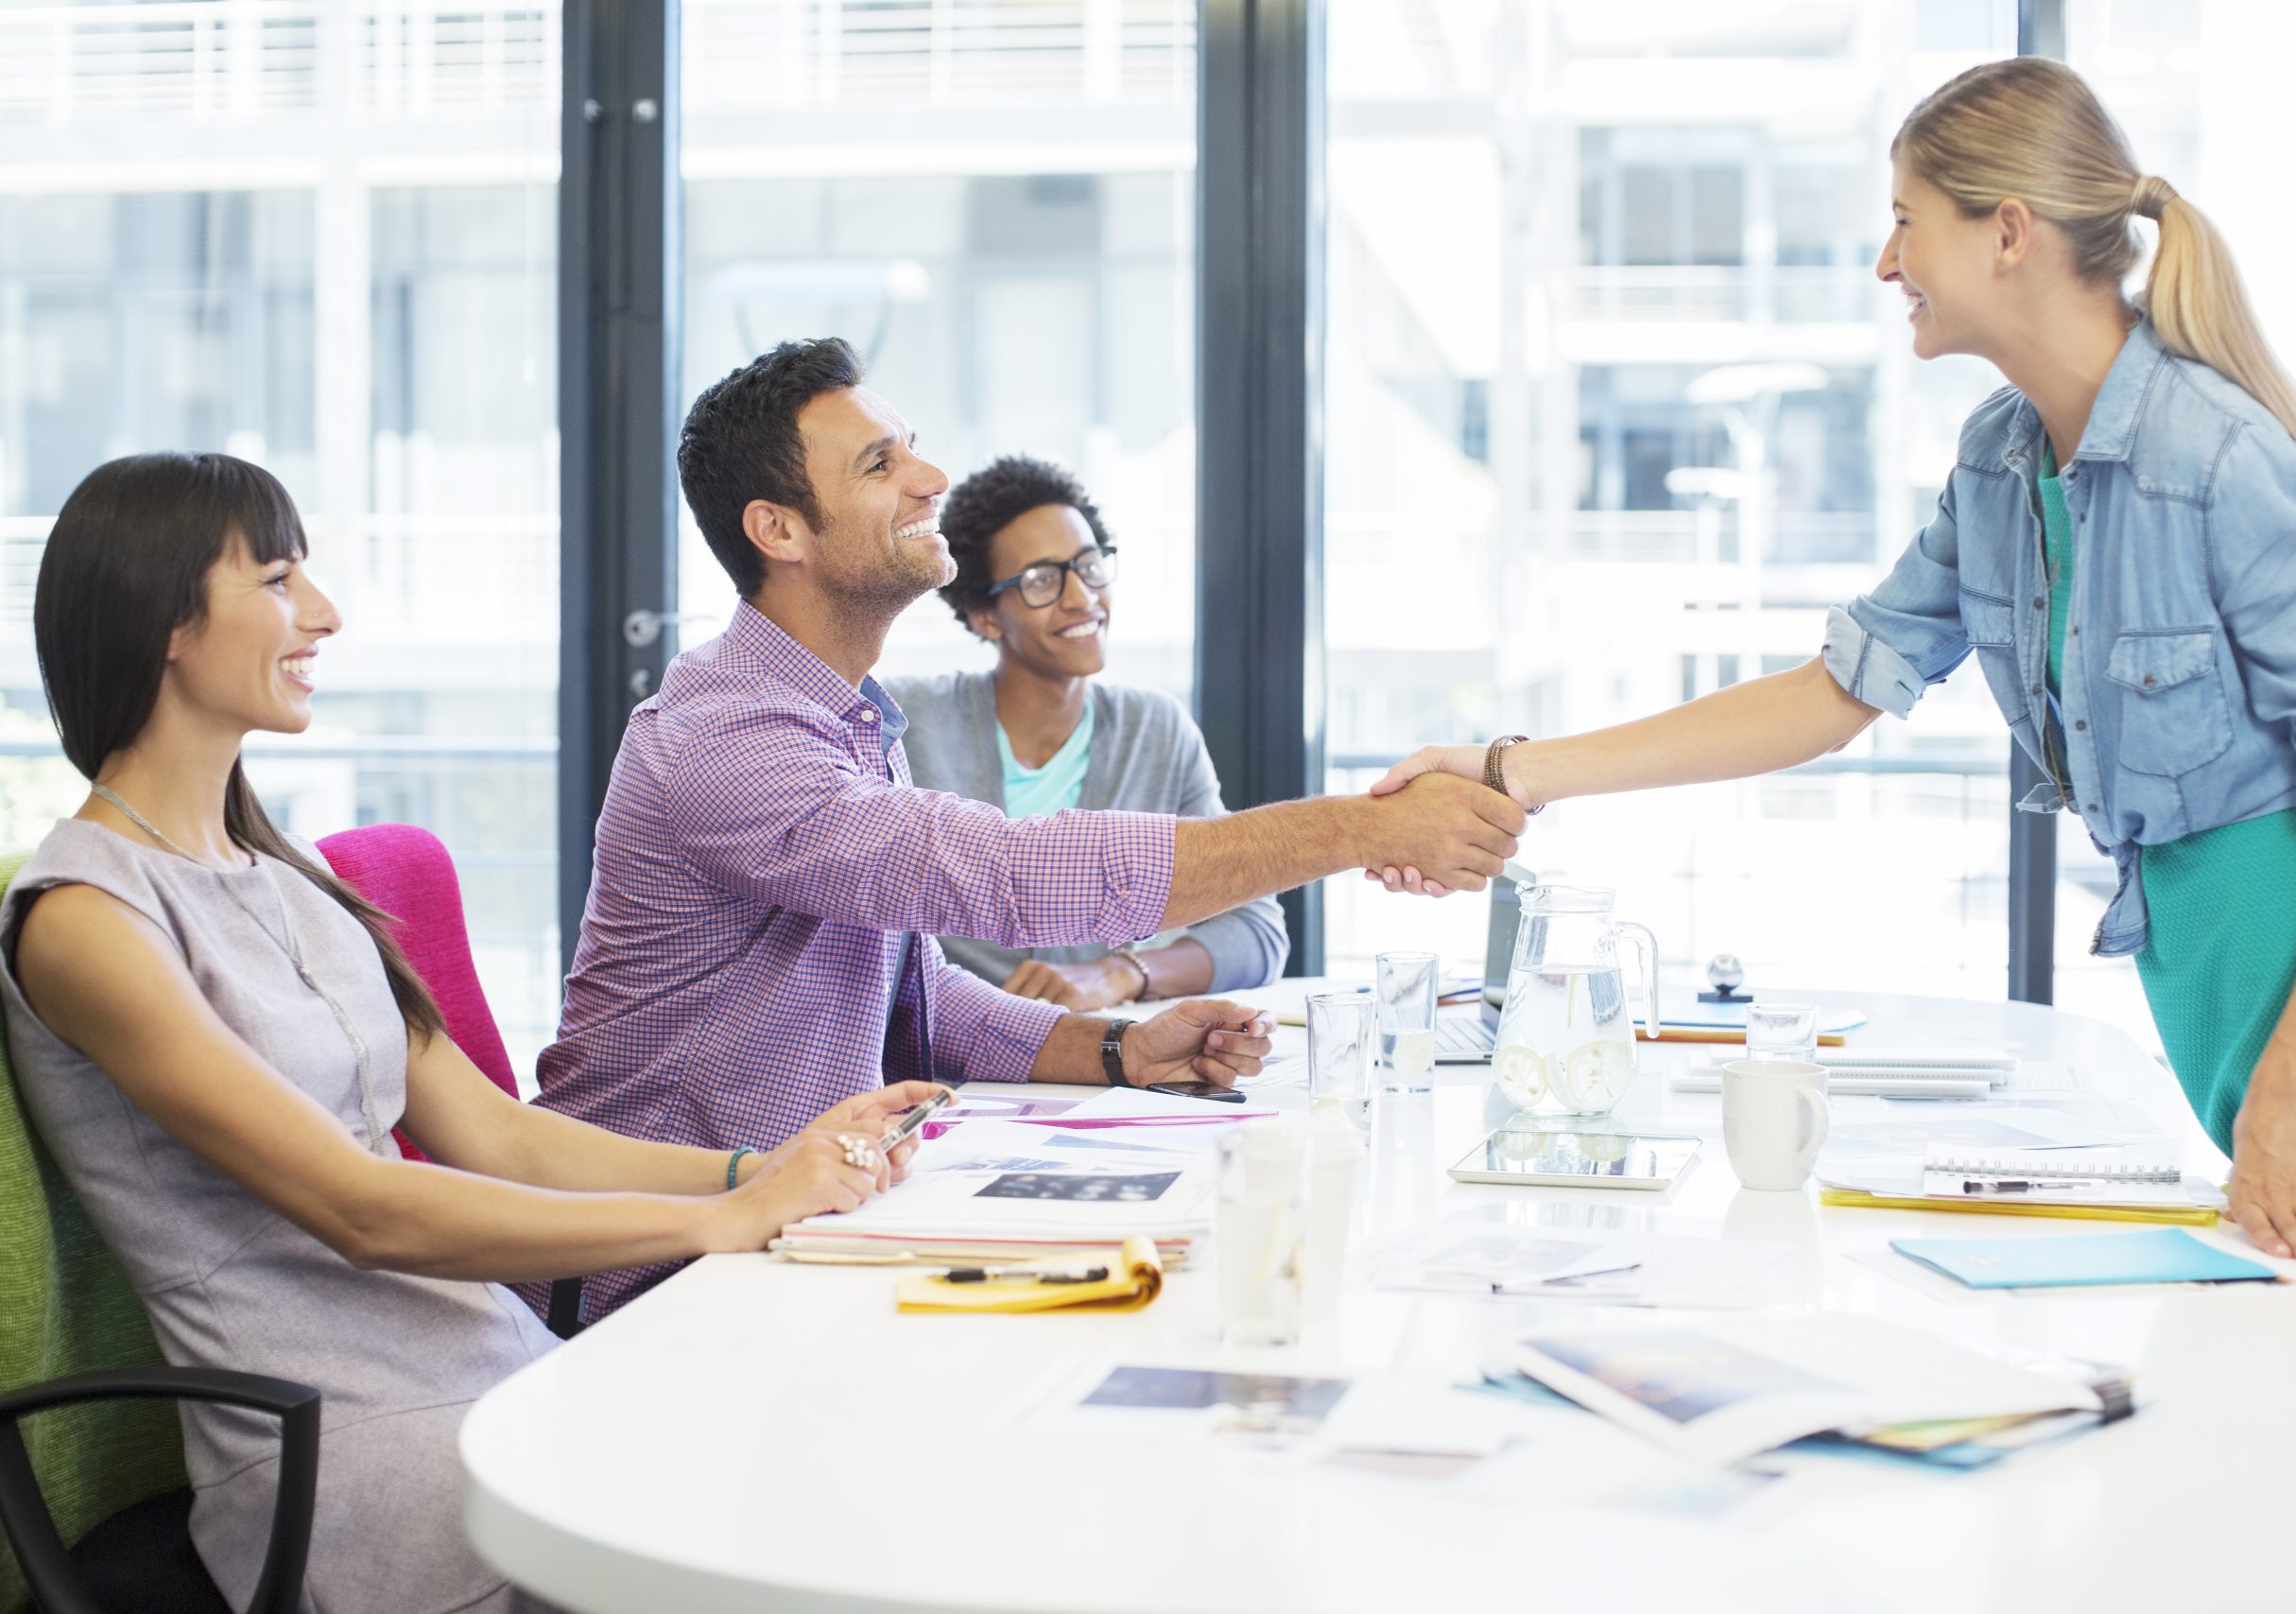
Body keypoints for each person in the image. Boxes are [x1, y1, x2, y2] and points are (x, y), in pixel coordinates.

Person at [1373, 58, 2296, 1301]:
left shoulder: (2217, 456)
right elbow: (1835, 689)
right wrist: (1513, 770)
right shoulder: (1999, 461)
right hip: (2203, 970)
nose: (1885, 262)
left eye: (1907, 220)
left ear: (2008, 234)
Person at [2, 453, 941, 1614]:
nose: (326, 613)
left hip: (497, 1373)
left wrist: (768, 1172)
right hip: (348, 1446)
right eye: (281, 579)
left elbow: (501, 1138)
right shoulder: (83, 922)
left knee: (868, 1469)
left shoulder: (288, 881)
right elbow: (364, 1208)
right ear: (165, 621)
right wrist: (722, 1220)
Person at [535, 338, 1524, 1320]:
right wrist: (1360, 830)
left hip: (802, 1222)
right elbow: (1001, 875)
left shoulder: (849, 718)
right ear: (778, 530)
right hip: (658, 1259)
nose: (930, 478)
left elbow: (914, 993)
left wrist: (1115, 1051)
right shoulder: (724, 731)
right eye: (880, 465)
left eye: (910, 446)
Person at [889, 454, 1287, 1009]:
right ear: (985, 615)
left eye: (1089, 565)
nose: (1081, 598)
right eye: (1042, 580)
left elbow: (1257, 929)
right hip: (957, 1068)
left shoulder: (1155, 728)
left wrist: (1122, 973)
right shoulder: (909, 723)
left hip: (1115, 1059)